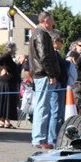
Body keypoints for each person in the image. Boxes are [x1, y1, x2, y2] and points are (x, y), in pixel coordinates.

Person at [29, 11, 60, 149]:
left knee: (42, 106)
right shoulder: (41, 34)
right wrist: (51, 74)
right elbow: (44, 57)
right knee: (43, 107)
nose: (53, 23)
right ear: (46, 21)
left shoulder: (37, 33)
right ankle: (39, 139)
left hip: (41, 74)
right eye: (52, 21)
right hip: (43, 75)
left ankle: (39, 138)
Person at [49, 29, 70, 146]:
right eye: (61, 41)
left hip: (60, 86)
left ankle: (55, 137)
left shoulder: (55, 53)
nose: (62, 44)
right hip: (56, 86)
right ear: (55, 41)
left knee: (58, 114)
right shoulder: (52, 53)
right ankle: (53, 140)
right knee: (55, 114)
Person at [0, 42, 20, 129]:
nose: (15, 51)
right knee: (9, 101)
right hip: (8, 82)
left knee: (4, 101)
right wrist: (4, 69)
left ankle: (2, 121)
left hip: (6, 81)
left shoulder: (8, 57)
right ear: (12, 49)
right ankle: (7, 122)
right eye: (14, 49)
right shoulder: (7, 56)